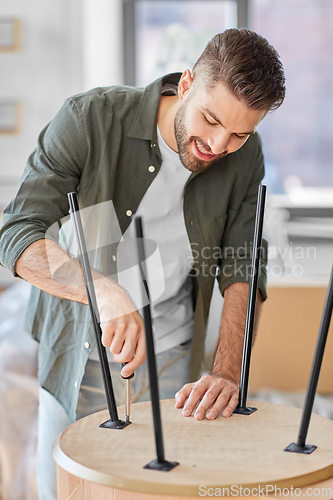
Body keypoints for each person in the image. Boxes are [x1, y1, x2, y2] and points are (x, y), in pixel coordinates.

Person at [0, 28, 285, 499]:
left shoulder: (246, 155)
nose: (217, 144)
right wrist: (103, 292)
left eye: (239, 133)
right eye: (210, 120)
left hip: (174, 356)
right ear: (187, 82)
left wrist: (227, 369)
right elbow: (16, 235)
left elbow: (244, 262)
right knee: (67, 491)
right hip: (78, 350)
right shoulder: (89, 118)